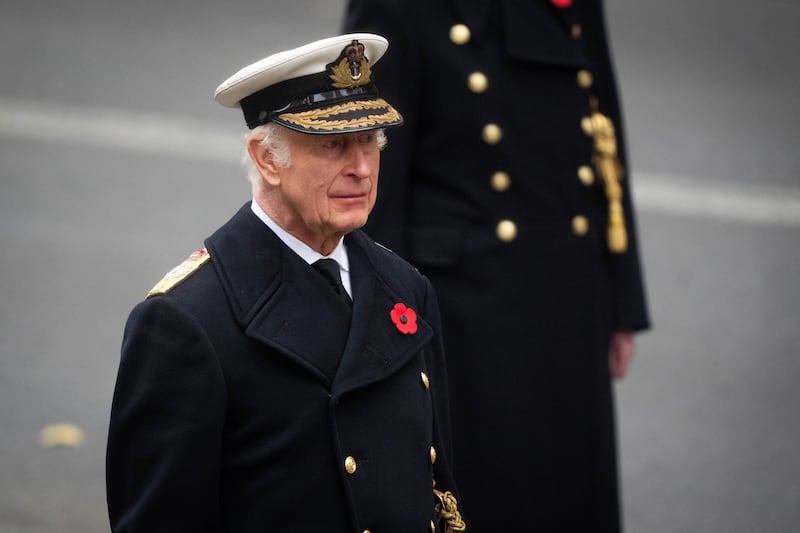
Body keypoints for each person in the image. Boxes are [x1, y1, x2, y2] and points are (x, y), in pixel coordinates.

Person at [105, 33, 466, 533]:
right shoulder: (185, 321)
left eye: (369, 141)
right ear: (267, 159)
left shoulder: (406, 287)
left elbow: (438, 490)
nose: (361, 168)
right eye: (334, 145)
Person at [343, 1, 651, 531]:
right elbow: (374, 174)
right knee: (483, 499)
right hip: (462, 312)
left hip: (572, 292)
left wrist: (622, 297)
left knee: (570, 493)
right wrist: (379, 330)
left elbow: (602, 134)